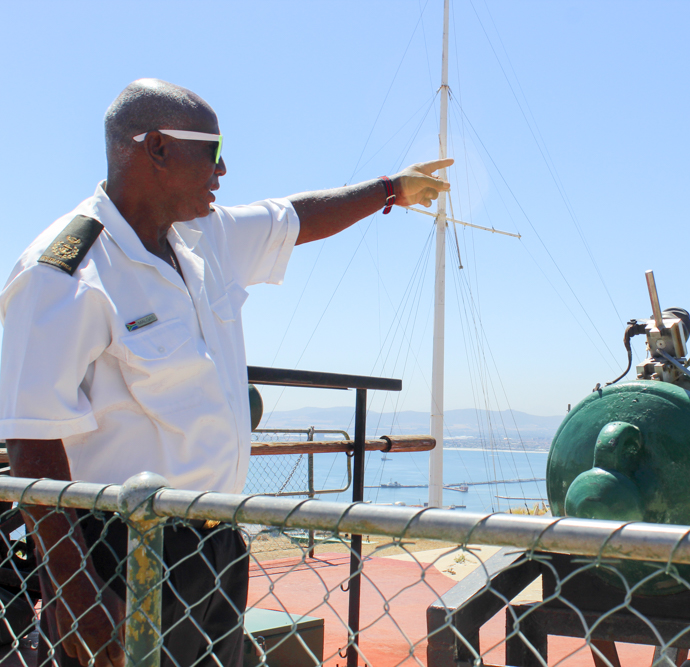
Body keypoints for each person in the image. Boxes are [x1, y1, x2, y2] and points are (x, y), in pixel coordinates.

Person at [0, 79, 452, 667]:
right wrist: (74, 590)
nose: (223, 168)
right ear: (156, 148)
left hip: (219, 546)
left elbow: (296, 217)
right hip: (123, 551)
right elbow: (32, 438)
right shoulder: (65, 274)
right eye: (212, 151)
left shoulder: (202, 237)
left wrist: (391, 190)